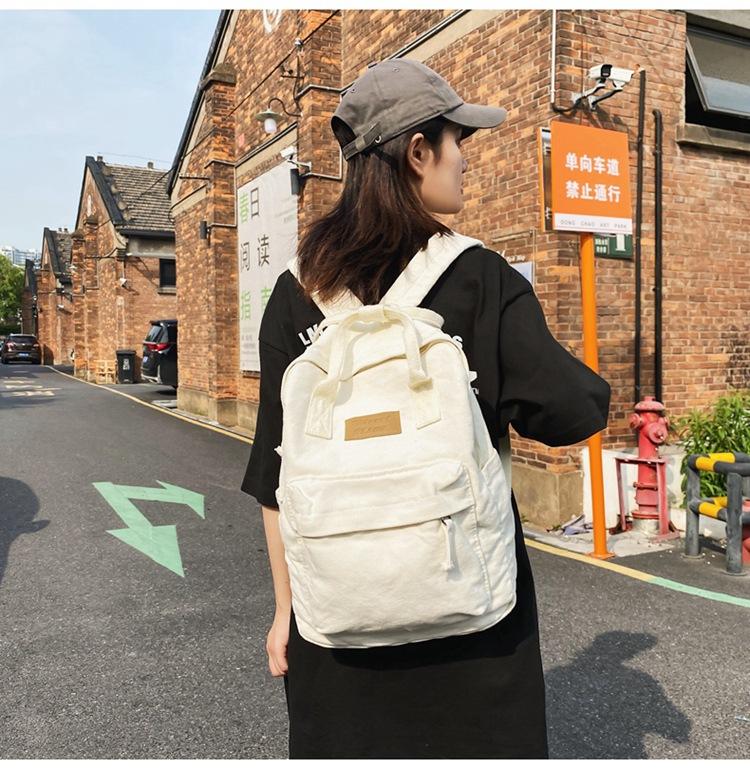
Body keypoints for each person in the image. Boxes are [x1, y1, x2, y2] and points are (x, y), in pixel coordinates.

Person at [241, 58, 611, 759]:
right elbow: (570, 413)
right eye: (457, 140)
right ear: (418, 151)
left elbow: (274, 479)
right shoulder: (482, 276)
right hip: (472, 629)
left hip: (335, 630)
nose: (465, 159)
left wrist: (287, 609)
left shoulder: (295, 291)